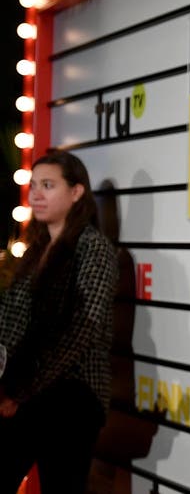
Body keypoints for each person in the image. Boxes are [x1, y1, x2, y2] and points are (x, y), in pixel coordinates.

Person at [0, 149, 119, 493]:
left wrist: (20, 391)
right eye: (34, 185)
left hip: (71, 396)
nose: (35, 194)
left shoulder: (92, 248)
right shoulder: (35, 248)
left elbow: (82, 329)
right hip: (26, 392)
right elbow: (11, 323)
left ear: (76, 192)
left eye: (48, 185)